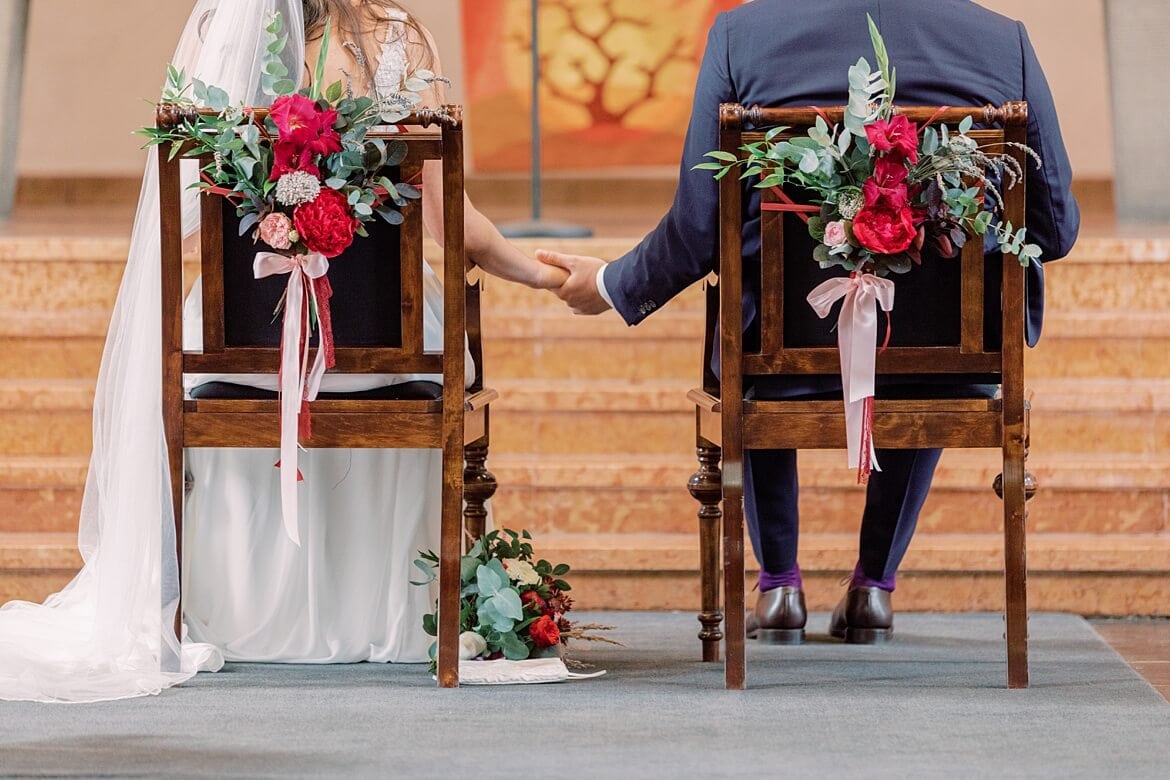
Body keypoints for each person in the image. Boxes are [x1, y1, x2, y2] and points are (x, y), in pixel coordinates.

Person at [0, 0, 564, 703]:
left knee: (203, 320)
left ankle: (231, 616)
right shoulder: (399, 39)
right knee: (433, 320)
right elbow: (451, 216)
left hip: (243, 357)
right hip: (388, 354)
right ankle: (394, 621)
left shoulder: (218, 40)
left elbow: (176, 235)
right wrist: (538, 272)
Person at [538, 0, 1080, 644]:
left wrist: (611, 284)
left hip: (782, 345)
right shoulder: (1000, 42)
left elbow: (698, 224)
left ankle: (778, 588)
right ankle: (873, 588)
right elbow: (1055, 225)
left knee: (755, 319)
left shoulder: (744, 36)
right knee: (925, 329)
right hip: (945, 354)